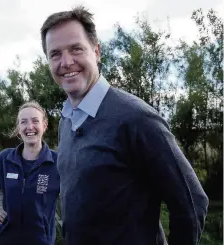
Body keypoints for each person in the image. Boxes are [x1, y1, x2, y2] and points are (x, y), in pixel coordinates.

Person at [40, 6, 209, 245]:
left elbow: (192, 203)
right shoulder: (67, 120)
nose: (66, 62)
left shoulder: (136, 118)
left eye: (76, 49)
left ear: (97, 51)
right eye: (55, 54)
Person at [0, 101, 60, 245]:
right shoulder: (5, 158)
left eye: (35, 121)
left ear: (44, 125)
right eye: (23, 122)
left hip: (41, 240)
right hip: (6, 238)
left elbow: (76, 197)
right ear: (18, 128)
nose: (30, 127)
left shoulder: (57, 162)